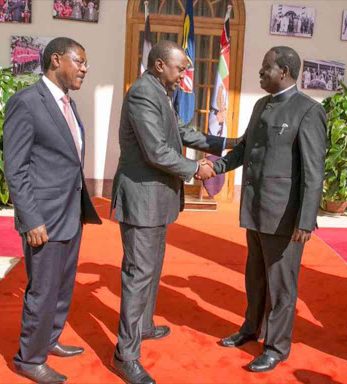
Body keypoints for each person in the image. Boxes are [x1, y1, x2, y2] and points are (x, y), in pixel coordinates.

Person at [109, 40, 240, 384]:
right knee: (138, 275)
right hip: (142, 200)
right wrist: (197, 170)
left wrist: (227, 143)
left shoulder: (161, 92)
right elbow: (155, 150)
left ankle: (145, 325)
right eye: (180, 67)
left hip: (158, 200)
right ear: (158, 66)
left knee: (151, 269)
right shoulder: (142, 94)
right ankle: (125, 355)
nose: (185, 73)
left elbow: (181, 132)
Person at [212, 46, 327, 373]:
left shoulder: (307, 111)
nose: (260, 74)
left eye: (266, 69)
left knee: (281, 285)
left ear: (285, 72)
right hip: (256, 209)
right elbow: (246, 148)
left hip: (285, 217)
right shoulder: (262, 105)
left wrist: (306, 219)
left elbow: (313, 172)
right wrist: (218, 166)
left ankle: (276, 347)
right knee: (255, 277)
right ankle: (251, 328)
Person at [3, 37, 102, 384]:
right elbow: (15, 168)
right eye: (79, 61)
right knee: (42, 290)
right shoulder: (27, 102)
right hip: (43, 218)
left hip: (70, 213)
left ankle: (50, 338)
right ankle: (29, 359)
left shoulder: (67, 104)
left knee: (62, 286)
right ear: (56, 59)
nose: (85, 69)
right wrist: (30, 218)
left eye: (85, 63)